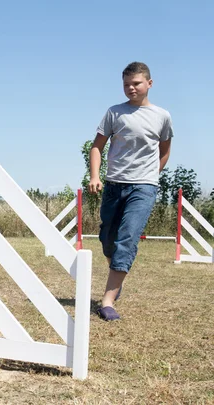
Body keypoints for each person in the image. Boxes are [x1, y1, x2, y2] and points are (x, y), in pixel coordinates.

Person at [89, 61, 173, 321]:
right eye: (126, 84)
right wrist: (95, 176)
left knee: (127, 238)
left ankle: (107, 301)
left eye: (136, 83)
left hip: (144, 186)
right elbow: (97, 147)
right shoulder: (114, 113)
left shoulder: (162, 116)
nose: (131, 88)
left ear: (149, 83)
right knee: (108, 239)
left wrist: (150, 177)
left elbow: (165, 150)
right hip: (114, 185)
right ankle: (117, 273)